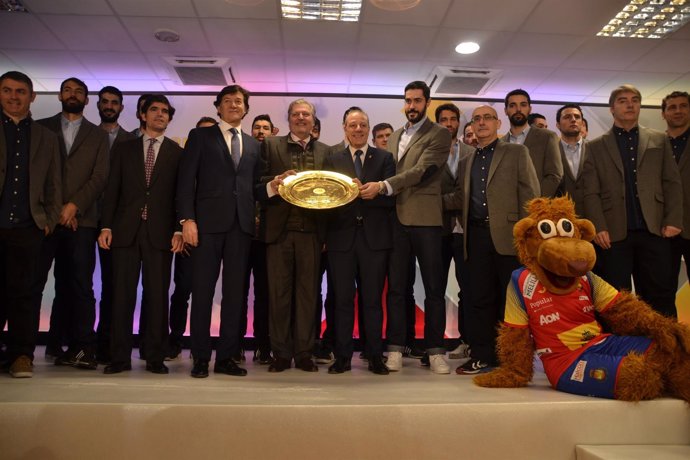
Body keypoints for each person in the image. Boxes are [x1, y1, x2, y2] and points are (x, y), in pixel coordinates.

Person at [359, 81, 451, 374]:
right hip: (396, 221)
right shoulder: (396, 134)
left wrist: (384, 186)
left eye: (417, 101)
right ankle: (396, 347)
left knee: (434, 289)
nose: (412, 106)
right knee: (397, 289)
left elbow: (423, 170)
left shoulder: (439, 134)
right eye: (408, 101)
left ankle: (436, 349)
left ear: (427, 102)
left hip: (426, 220)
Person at [177, 85, 261, 378]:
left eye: (239, 101)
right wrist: (187, 220)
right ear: (218, 107)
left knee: (235, 296)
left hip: (241, 227)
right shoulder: (200, 136)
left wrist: (277, 185)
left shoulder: (253, 144)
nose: (234, 105)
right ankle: (200, 357)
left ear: (246, 108)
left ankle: (226, 357)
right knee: (201, 292)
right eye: (228, 101)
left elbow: (254, 187)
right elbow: (186, 181)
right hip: (207, 227)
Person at [98, 95, 184, 374]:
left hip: (160, 234)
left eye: (165, 112)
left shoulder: (177, 152)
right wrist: (106, 225)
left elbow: (179, 197)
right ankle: (119, 358)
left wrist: (178, 228)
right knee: (121, 296)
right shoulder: (124, 149)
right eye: (154, 110)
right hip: (124, 231)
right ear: (142, 115)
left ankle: (155, 357)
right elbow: (112, 191)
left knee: (158, 296)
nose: (160, 115)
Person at [582, 84, 683, 318]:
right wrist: (598, 226)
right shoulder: (595, 147)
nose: (630, 104)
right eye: (623, 100)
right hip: (614, 235)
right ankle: (622, 351)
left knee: (660, 296)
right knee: (616, 300)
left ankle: (666, 350)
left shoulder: (659, 140)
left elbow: (672, 183)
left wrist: (673, 219)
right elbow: (590, 192)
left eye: (635, 100)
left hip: (655, 229)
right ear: (612, 108)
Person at [452, 105, 539, 374]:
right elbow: (458, 199)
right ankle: (482, 354)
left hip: (509, 236)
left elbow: (530, 194)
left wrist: (529, 236)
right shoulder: (466, 160)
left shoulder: (516, 152)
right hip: (475, 236)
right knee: (478, 298)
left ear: (498, 123)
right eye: (476, 119)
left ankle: (513, 358)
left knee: (511, 301)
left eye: (487, 118)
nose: (481, 123)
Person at [36, 77, 109, 369]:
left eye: (79, 91)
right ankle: (23, 350)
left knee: (80, 286)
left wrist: (74, 206)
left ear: (87, 99)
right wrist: (56, 211)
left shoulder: (98, 135)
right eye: (68, 90)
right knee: (32, 284)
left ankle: (83, 348)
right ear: (59, 95)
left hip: (83, 220)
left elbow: (99, 177)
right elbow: (36, 175)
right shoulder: (41, 128)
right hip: (44, 220)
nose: (73, 94)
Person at [259, 98, 329, 373]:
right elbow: (257, 185)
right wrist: (273, 185)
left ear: (313, 121)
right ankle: (280, 354)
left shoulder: (326, 151)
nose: (301, 118)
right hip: (279, 232)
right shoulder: (270, 145)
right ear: (288, 119)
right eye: (296, 114)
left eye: (306, 115)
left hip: (312, 233)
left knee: (308, 295)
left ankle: (304, 353)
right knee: (279, 295)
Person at [324, 107, 395, 375]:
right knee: (341, 299)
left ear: (369, 128)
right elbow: (327, 200)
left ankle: (375, 355)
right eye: (352, 125)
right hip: (341, 239)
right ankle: (342, 356)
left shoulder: (385, 157)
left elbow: (391, 198)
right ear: (344, 128)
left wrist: (374, 193)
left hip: (374, 241)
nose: (358, 129)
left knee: (373, 301)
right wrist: (346, 193)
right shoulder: (333, 158)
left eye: (363, 125)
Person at [0, 71, 61, 378]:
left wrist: (48, 221)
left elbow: (53, 184)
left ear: (32, 96)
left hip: (28, 227)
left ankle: (21, 355)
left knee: (24, 294)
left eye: (21, 91)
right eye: (8, 91)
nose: (14, 97)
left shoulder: (45, 137)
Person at [166, 116, 218, 361]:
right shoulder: (186, 164)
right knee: (183, 290)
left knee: (205, 293)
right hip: (190, 235)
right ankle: (175, 339)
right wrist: (181, 229)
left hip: (217, 234)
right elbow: (178, 196)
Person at [95, 85, 136, 363]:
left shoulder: (131, 140)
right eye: (105, 101)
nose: (109, 105)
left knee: (113, 284)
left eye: (114, 102)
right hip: (86, 217)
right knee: (78, 283)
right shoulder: (88, 134)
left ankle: (108, 343)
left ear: (122, 107)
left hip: (120, 222)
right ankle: (80, 341)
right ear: (97, 105)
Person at [435, 103, 473, 359]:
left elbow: (468, 196)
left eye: (453, 119)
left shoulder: (472, 151)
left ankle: (467, 341)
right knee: (434, 289)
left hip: (466, 230)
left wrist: (439, 201)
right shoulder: (428, 152)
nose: (449, 123)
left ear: (459, 122)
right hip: (436, 230)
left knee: (468, 288)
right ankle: (434, 344)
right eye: (444, 119)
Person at [502, 88, 562, 197]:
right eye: (512, 105)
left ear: (530, 109)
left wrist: (536, 203)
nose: (518, 109)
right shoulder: (500, 143)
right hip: (507, 208)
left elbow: (554, 175)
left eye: (523, 105)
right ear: (505, 110)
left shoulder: (547, 137)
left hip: (536, 208)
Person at [661, 91, 690, 285]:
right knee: (662, 289)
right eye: (672, 107)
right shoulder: (653, 144)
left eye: (683, 106)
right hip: (663, 230)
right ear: (663, 114)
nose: (678, 111)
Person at [554, 104, 587, 215]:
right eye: (567, 117)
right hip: (560, 218)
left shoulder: (595, 149)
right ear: (558, 125)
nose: (573, 120)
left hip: (591, 217)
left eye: (577, 117)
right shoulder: (550, 152)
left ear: (582, 123)